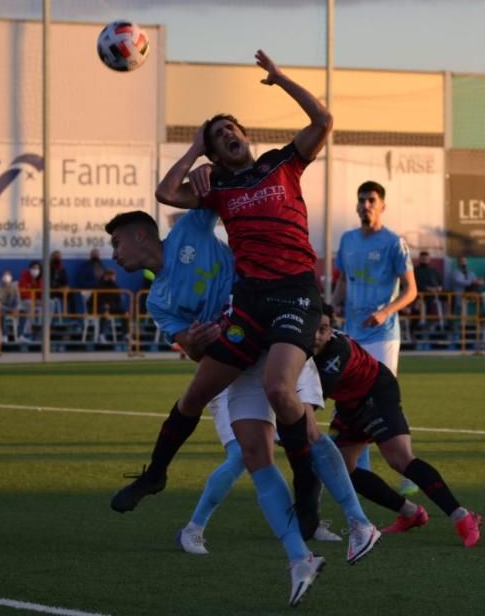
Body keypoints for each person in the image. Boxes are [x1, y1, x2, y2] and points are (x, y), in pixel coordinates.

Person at [120, 51, 380, 582]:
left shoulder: (284, 163)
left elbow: (324, 121)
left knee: (283, 394)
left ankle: (328, 508)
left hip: (294, 295)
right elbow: (166, 192)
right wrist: (194, 145)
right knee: (197, 394)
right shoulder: (219, 192)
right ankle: (157, 476)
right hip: (251, 305)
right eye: (218, 137)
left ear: (246, 135)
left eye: (231, 129)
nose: (227, 136)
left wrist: (282, 78)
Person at [105, 209, 339, 604]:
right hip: (233, 357)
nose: (113, 254)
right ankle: (300, 555)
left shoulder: (189, 229)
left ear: (141, 235)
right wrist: (196, 340)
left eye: (116, 242)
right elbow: (194, 353)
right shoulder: (157, 301)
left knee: (310, 434)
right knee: (251, 453)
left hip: (278, 332)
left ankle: (350, 521)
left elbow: (211, 191)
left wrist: (198, 147)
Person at [310, 305, 482, 547]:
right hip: (349, 402)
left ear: (331, 330)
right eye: (313, 329)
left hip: (376, 391)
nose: (317, 335)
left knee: (400, 458)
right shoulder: (300, 346)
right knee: (342, 468)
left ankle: (463, 516)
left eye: (323, 330)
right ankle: (411, 513)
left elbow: (312, 401)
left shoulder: (337, 349)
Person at [332, 181, 417, 487]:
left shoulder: (394, 242)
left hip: (383, 335)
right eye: (361, 200)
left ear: (382, 205)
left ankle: (408, 467)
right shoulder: (347, 240)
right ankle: (362, 471)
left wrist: (385, 312)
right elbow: (343, 281)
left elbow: (411, 291)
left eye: (371, 200)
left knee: (383, 400)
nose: (365, 205)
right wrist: (331, 307)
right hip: (352, 333)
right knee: (355, 401)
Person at [411, 251, 446, 332]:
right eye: (423, 258)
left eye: (426, 258)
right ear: (419, 259)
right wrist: (428, 288)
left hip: (435, 294)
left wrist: (439, 287)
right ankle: (423, 324)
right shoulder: (415, 271)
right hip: (421, 295)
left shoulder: (433, 271)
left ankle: (445, 323)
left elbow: (440, 281)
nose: (424, 260)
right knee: (425, 302)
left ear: (429, 259)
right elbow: (416, 283)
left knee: (451, 297)